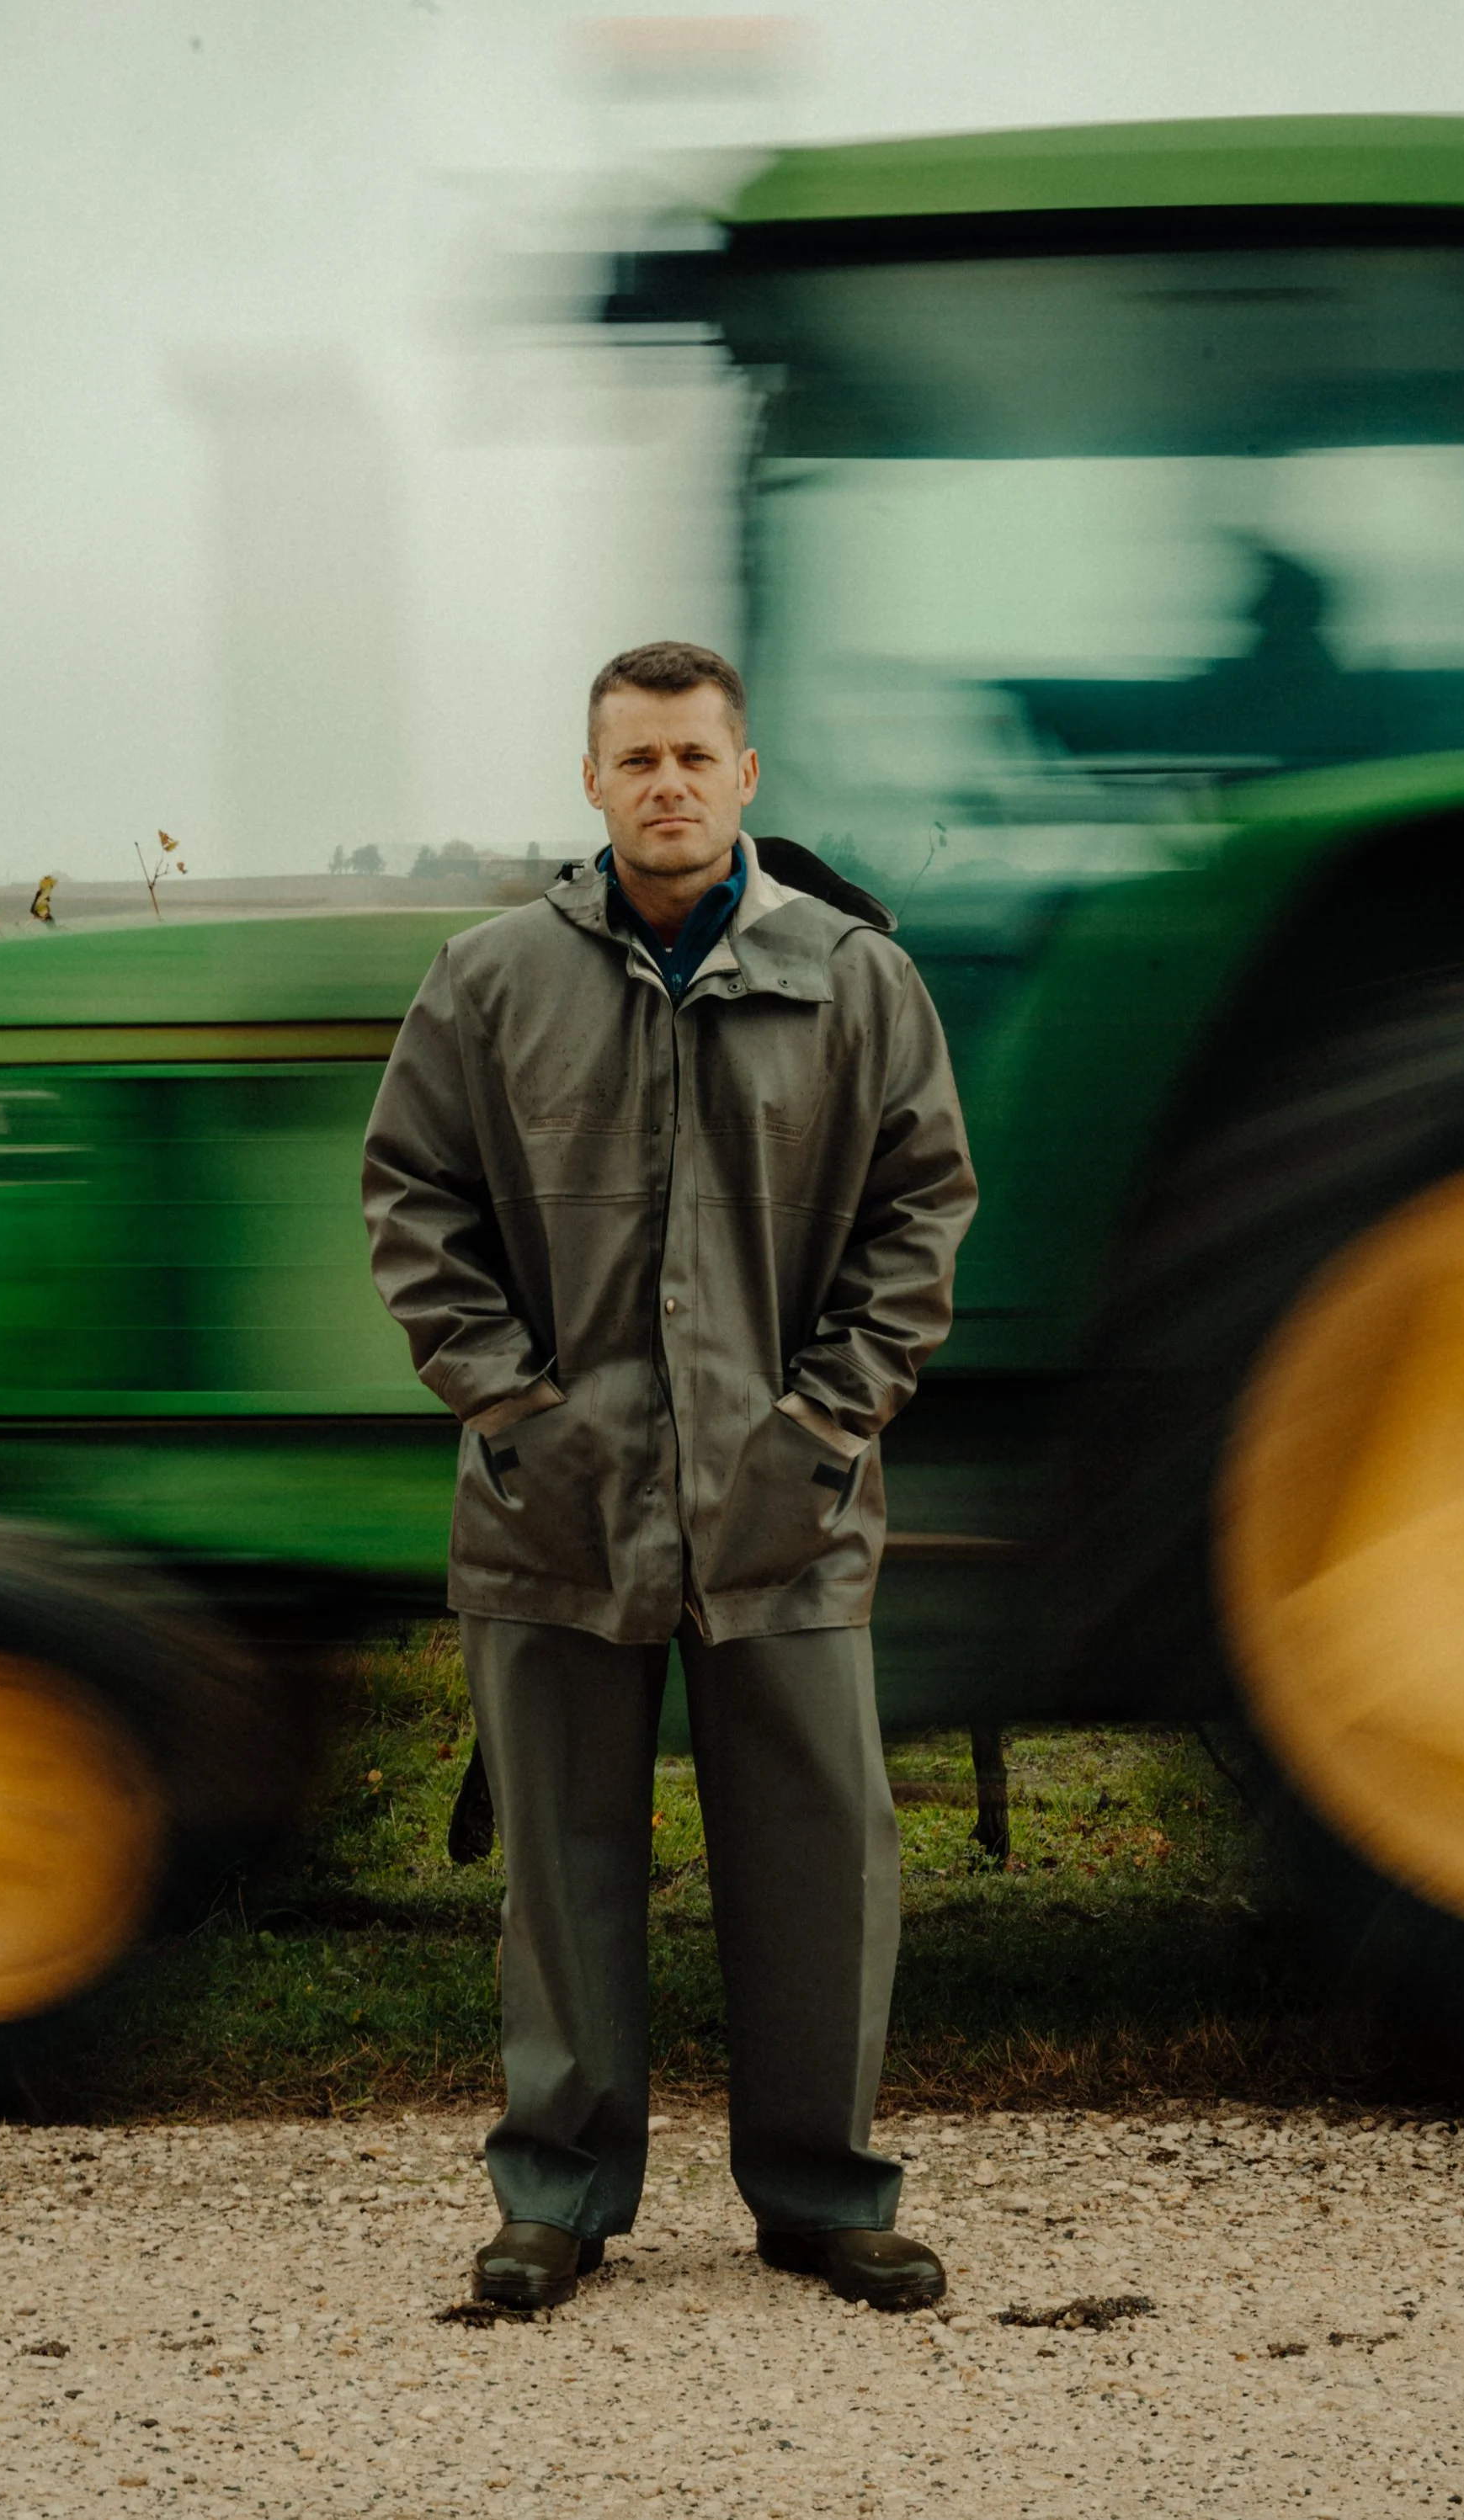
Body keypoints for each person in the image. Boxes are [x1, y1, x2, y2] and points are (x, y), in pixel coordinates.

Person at [362, 639, 977, 2313]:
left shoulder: (851, 979)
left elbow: (923, 1208)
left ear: (746, 774)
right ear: (590, 780)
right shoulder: (488, 980)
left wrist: (832, 1419)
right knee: (561, 1868)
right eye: (634, 757)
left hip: (785, 1503)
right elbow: (411, 1202)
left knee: (818, 1858)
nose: (666, 785)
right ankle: (554, 2197)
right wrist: (511, 1409)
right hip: (551, 1503)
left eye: (695, 756)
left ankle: (821, 2193)